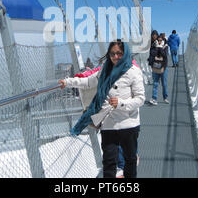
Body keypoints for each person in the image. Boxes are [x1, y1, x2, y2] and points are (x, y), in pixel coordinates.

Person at [59, 40, 145, 178]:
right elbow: (88, 82)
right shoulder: (105, 70)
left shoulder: (133, 72)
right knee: (109, 163)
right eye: (112, 53)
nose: (115, 57)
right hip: (109, 124)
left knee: (130, 161)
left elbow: (140, 99)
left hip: (128, 123)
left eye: (119, 53)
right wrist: (67, 82)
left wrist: (121, 103)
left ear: (125, 54)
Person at [148, 34, 169, 105]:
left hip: (163, 68)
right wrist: (157, 47)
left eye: (161, 40)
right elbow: (152, 54)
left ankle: (165, 97)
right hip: (155, 67)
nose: (159, 42)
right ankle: (154, 98)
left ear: (163, 41)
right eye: (158, 40)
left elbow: (165, 55)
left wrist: (160, 48)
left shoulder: (165, 47)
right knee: (155, 83)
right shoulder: (153, 46)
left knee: (164, 84)